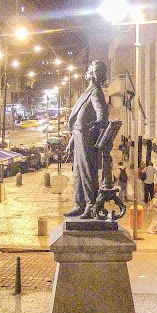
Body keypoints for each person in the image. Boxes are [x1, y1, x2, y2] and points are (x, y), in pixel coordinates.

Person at [64, 60, 109, 219]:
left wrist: (94, 126)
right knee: (77, 173)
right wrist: (71, 141)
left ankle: (91, 206)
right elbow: (77, 120)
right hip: (78, 137)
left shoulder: (96, 91)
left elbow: (102, 115)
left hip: (86, 138)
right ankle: (79, 204)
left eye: (91, 69)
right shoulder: (88, 90)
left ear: (94, 74)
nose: (88, 72)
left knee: (87, 172)